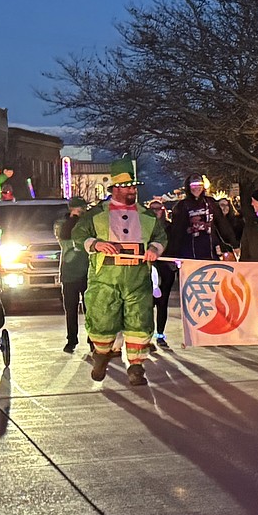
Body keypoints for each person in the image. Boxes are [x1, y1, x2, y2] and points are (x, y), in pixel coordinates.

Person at [72, 159, 168, 386]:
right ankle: (102, 355)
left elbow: (160, 237)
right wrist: (95, 244)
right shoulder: (96, 214)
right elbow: (78, 235)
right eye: (128, 186)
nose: (133, 190)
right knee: (102, 318)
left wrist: (155, 248)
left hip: (137, 277)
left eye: (134, 187)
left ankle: (136, 367)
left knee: (139, 320)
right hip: (105, 277)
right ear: (115, 188)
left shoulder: (147, 215)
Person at [167, 174, 238, 262]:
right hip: (189, 254)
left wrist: (234, 244)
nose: (197, 188)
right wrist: (173, 254)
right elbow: (176, 232)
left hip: (210, 252)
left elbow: (222, 225)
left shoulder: (210, 203)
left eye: (199, 185)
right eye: (193, 185)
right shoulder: (181, 206)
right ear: (188, 187)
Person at [55, 197, 90, 353]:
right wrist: (73, 218)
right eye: (79, 208)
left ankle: (93, 339)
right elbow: (64, 236)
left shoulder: (88, 222)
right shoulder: (61, 224)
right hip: (69, 273)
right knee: (71, 309)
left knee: (91, 308)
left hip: (88, 272)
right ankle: (72, 339)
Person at [148, 200, 176, 350]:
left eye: (158, 209)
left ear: (163, 210)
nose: (155, 211)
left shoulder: (169, 227)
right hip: (149, 267)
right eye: (152, 209)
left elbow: (175, 244)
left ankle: (160, 334)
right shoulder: (145, 226)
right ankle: (148, 337)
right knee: (148, 304)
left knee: (162, 302)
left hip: (165, 268)